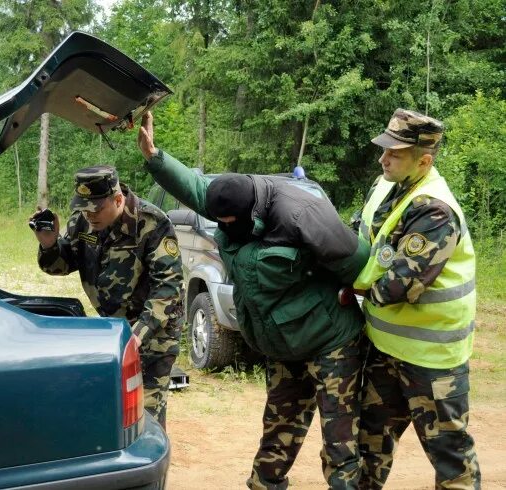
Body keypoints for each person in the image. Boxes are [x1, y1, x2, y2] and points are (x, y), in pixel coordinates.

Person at [137, 111, 369, 489]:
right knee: (277, 434)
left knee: (340, 443)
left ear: (251, 213)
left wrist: (355, 292)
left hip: (330, 343)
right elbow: (195, 189)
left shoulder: (302, 214)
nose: (223, 228)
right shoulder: (229, 205)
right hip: (280, 346)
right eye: (219, 221)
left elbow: (358, 265)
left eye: (229, 222)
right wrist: (154, 156)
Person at [353, 109, 480, 489]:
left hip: (432, 362)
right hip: (385, 349)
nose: (382, 159)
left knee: (451, 458)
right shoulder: (385, 186)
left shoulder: (435, 210)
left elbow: (400, 286)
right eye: (383, 150)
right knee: (367, 449)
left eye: (394, 153)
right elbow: (358, 237)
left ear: (424, 160)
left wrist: (346, 286)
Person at [33, 165, 184, 430]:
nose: (90, 215)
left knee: (145, 415)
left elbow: (168, 286)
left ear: (117, 199)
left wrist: (137, 335)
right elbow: (62, 265)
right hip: (113, 331)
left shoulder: (151, 223)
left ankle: (148, 467)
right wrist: (49, 243)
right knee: (115, 409)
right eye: (84, 208)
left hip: (153, 334)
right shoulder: (82, 221)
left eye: (96, 208)